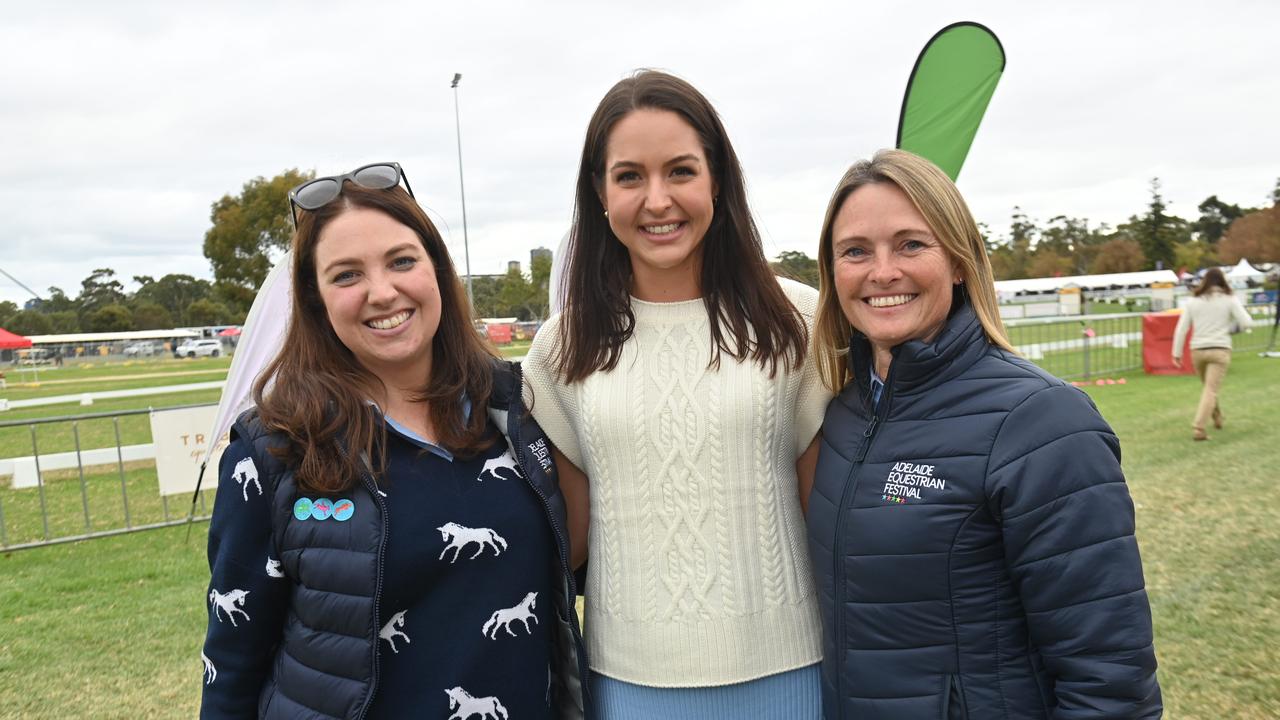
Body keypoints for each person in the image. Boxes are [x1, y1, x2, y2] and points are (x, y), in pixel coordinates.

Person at [199, 163, 587, 719]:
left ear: (436, 270)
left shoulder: (515, 408)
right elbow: (231, 663)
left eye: (402, 261)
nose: (383, 292)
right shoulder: (273, 452)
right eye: (347, 275)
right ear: (315, 299)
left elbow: (572, 567)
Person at [805, 150, 1162, 719]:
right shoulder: (845, 414)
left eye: (910, 244)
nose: (882, 271)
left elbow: (1109, 677)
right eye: (855, 251)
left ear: (959, 262)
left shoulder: (1044, 422)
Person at [522, 70, 830, 719]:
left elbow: (833, 522)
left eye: (681, 172)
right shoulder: (560, 348)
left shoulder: (798, 322)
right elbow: (566, 543)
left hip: (794, 674)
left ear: (716, 180)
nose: (657, 200)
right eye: (630, 176)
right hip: (628, 685)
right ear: (600, 195)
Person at [1171, 267, 1253, 440]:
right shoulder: (1229, 299)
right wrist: (1229, 330)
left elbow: (1181, 329)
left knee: (1209, 388)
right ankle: (1199, 428)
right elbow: (1246, 322)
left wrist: (1176, 353)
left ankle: (1217, 417)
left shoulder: (1193, 301)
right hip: (1220, 349)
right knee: (1211, 389)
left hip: (1198, 351)